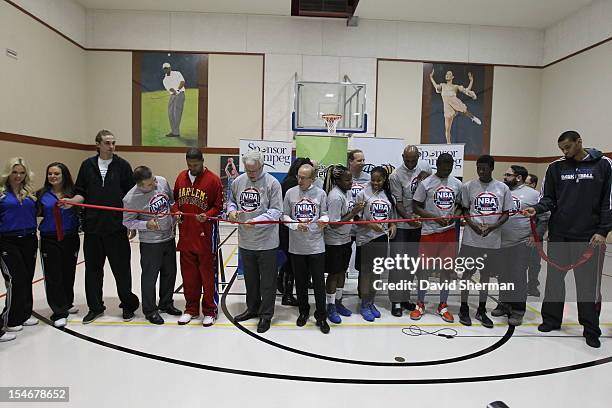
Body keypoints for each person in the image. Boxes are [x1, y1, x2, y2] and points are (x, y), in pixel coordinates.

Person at [524, 130, 611, 348]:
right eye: (562, 149)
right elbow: (549, 199)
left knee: (587, 286)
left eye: (568, 147)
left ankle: (590, 328)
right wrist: (536, 209)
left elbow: (608, 201)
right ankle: (551, 320)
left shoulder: (604, 165)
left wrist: (603, 230)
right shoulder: (556, 167)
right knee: (554, 280)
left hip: (589, 237)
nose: (565, 152)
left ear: (579, 142)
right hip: (560, 235)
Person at [63, 130, 140, 324]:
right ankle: (95, 307)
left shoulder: (122, 166)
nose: (111, 146)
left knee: (122, 270)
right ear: (98, 144)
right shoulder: (87, 165)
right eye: (107, 143)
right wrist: (72, 201)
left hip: (116, 228)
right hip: (93, 228)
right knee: (93, 270)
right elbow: (81, 192)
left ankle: (127, 306)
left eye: (113, 143)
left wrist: (131, 221)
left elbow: (131, 197)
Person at [228, 151, 283, 333]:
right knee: (250, 280)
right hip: (245, 241)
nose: (251, 174)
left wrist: (256, 221)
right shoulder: (238, 182)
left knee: (267, 282)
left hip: (267, 242)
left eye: (254, 170)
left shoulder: (272, 184)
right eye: (248, 170)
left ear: (262, 166)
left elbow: (276, 211)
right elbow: (231, 202)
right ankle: (252, 309)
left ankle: (266, 315)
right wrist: (232, 211)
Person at [458, 154, 512, 328]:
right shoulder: (468, 186)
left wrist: (493, 227)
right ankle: (464, 307)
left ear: (492, 168)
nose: (481, 171)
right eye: (478, 168)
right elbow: (465, 209)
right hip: (470, 240)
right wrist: (472, 225)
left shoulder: (502, 188)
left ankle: (481, 310)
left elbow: (506, 213)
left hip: (492, 241)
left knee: (485, 276)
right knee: (466, 274)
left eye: (484, 168)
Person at [122, 166, 181, 325]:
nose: (155, 184)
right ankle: (150, 310)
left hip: (168, 236)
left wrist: (175, 215)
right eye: (149, 184)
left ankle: (166, 303)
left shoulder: (161, 181)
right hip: (150, 243)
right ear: (140, 185)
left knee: (170, 273)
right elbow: (127, 221)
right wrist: (145, 224)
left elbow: (171, 201)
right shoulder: (131, 198)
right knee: (150, 277)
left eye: (154, 180)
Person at [173, 148, 223, 327]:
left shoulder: (214, 180)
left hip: (205, 236)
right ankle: (191, 309)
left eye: (195, 164)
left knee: (208, 277)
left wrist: (208, 214)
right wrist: (176, 211)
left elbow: (219, 206)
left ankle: (210, 311)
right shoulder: (180, 178)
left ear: (203, 161)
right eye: (189, 165)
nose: (192, 168)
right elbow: (175, 202)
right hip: (186, 236)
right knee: (189, 277)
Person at [411, 153, 462, 322]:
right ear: (437, 166)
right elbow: (416, 206)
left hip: (449, 233)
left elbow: (461, 206)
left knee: (446, 271)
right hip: (429, 233)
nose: (446, 170)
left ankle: (443, 305)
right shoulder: (426, 184)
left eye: (450, 168)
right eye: (443, 167)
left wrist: (454, 215)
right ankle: (420, 303)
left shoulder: (457, 184)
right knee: (424, 270)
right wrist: (434, 217)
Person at [494, 165, 545, 326]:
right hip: (501, 242)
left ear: (518, 177)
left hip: (521, 243)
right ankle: (504, 303)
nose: (504, 177)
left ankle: (518, 310)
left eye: (508, 175)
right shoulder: (502, 191)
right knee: (503, 275)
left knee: (518, 277)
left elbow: (544, 218)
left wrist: (535, 235)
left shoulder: (534, 195)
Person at [283, 164, 330, 334]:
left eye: (304, 178)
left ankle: (321, 315)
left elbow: (325, 213)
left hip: (316, 246)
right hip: (296, 247)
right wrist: (295, 225)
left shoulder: (321, 193)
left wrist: (324, 220)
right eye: (298, 177)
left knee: (318, 283)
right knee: (300, 282)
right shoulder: (290, 193)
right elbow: (284, 215)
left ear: (312, 179)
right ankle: (303, 311)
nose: (300, 180)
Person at [388, 145, 432, 316]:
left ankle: (405, 297)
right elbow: (397, 203)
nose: (411, 163)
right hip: (402, 225)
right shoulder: (396, 175)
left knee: (411, 265)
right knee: (398, 265)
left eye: (414, 160)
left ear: (419, 157)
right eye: (407, 160)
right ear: (402, 157)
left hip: (419, 226)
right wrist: (409, 219)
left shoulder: (426, 168)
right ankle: (396, 301)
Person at [37, 162, 80, 328]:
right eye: (50, 174)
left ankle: (67, 303)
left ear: (64, 176)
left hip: (70, 237)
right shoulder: (41, 194)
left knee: (68, 271)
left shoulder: (73, 193)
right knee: (53, 275)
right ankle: (59, 311)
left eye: (57, 174)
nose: (53, 177)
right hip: (50, 238)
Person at [0, 157, 39, 339]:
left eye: (22, 173)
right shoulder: (2, 194)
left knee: (27, 277)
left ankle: (24, 314)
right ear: (8, 173)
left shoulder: (29, 194)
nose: (18, 176)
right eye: (14, 172)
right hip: (8, 241)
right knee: (16, 279)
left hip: (29, 238)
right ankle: (11, 319)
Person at [323, 165, 364, 324]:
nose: (351, 182)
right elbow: (333, 223)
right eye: (347, 179)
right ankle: (331, 305)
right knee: (334, 274)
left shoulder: (345, 193)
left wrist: (355, 211)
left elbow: (345, 214)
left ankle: (338, 302)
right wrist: (353, 213)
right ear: (337, 180)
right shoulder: (335, 197)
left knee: (342, 272)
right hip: (334, 241)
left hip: (345, 239)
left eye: (351, 179)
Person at [355, 166, 397, 322]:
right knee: (366, 273)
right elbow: (356, 219)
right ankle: (364, 304)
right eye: (373, 179)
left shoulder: (388, 196)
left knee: (376, 273)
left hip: (381, 238)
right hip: (366, 239)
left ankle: (371, 301)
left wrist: (393, 226)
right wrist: (369, 224)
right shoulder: (362, 194)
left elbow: (392, 218)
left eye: (378, 180)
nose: (375, 183)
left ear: (384, 180)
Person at [277, 158, 313, 306]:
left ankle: (283, 285)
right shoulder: (292, 185)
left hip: (288, 228)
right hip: (290, 229)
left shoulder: (288, 180)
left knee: (291, 261)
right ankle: (287, 293)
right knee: (292, 261)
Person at [429, 69, 482, 143]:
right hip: (447, 107)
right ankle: (448, 144)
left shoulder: (455, 86)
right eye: (446, 74)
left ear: (452, 77)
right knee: (447, 128)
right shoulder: (442, 85)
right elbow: (436, 87)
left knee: (464, 111)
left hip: (455, 102)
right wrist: (431, 77)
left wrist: (471, 81)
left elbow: (466, 90)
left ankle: (473, 117)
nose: (447, 75)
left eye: (449, 74)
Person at [347, 150, 370, 280]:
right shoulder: (344, 177)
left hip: (363, 226)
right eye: (359, 160)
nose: (362, 163)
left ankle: (363, 294)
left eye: (363, 160)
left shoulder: (369, 178)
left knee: (363, 264)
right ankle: (338, 295)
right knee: (342, 262)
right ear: (351, 161)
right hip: (347, 226)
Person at [525, 173, 547, 296]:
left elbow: (544, 220)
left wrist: (535, 237)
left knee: (534, 264)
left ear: (533, 184)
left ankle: (533, 285)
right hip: (521, 237)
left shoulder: (539, 199)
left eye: (527, 183)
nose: (525, 186)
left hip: (535, 237)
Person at [162, 62, 186, 138]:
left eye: (167, 68)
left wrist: (178, 89)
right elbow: (170, 88)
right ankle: (174, 131)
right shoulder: (165, 80)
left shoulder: (177, 73)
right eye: (165, 69)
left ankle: (176, 132)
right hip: (173, 95)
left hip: (180, 94)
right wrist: (175, 91)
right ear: (163, 69)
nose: (166, 70)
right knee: (170, 113)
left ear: (170, 68)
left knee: (176, 113)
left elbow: (182, 82)